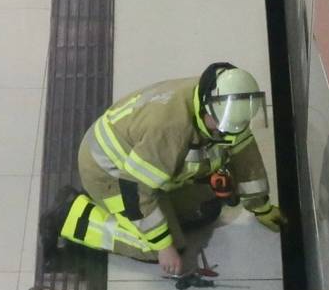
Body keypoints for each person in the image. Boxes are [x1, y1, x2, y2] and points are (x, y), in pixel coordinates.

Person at [57, 62, 281, 278]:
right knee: (163, 245)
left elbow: (245, 157)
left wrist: (260, 207)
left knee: (208, 206)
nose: (228, 133)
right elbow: (135, 189)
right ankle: (76, 217)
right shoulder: (170, 131)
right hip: (109, 173)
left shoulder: (224, 101)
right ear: (206, 107)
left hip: (143, 159)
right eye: (221, 126)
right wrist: (164, 246)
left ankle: (161, 203)